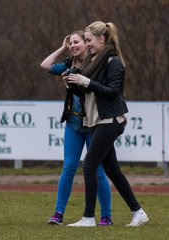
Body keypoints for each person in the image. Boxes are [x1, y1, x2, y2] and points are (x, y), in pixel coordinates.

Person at [63, 21, 149, 227]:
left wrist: (86, 82)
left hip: (111, 120)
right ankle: (138, 212)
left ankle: (89, 217)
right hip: (96, 120)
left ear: (101, 39)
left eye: (89, 40)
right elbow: (88, 92)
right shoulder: (93, 62)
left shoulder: (113, 62)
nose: (87, 44)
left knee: (89, 164)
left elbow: (112, 92)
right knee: (112, 169)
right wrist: (72, 84)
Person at [40, 31, 113, 226]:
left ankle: (106, 216)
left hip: (92, 124)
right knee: (69, 167)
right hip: (73, 123)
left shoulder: (95, 63)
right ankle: (58, 213)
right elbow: (45, 65)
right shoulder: (68, 64)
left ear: (86, 43)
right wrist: (62, 48)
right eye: (70, 43)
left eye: (76, 42)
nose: (73, 45)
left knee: (97, 170)